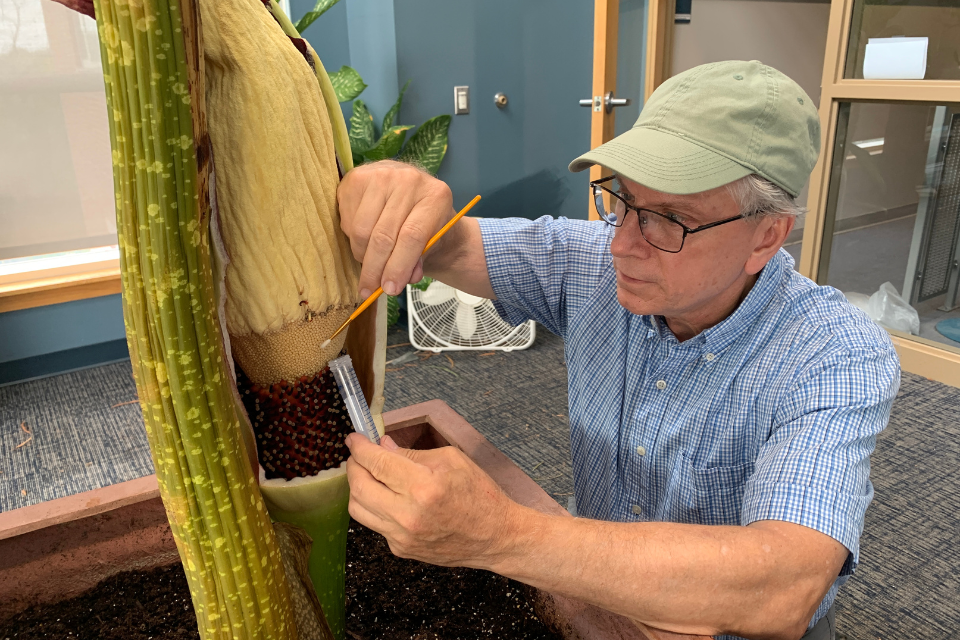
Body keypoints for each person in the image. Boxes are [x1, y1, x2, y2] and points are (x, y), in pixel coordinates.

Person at [336, 60, 900, 640]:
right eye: (624, 200)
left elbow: (783, 585)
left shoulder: (835, 354)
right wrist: (391, 198)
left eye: (670, 220)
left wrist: (500, 533)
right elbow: (448, 242)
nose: (624, 243)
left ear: (767, 235)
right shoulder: (589, 261)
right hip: (592, 598)